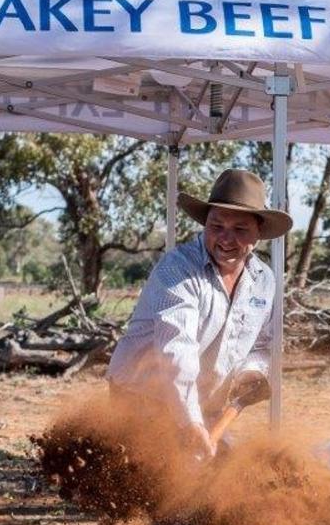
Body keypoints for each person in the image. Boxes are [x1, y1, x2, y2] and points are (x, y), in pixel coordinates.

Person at [107, 168, 291, 460]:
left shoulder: (264, 280)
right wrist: (190, 422)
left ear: (259, 233)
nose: (226, 239)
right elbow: (176, 350)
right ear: (205, 224)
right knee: (148, 484)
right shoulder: (177, 269)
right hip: (143, 395)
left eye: (240, 230)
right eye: (216, 226)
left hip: (204, 404)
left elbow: (262, 344)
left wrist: (251, 372)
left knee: (218, 478)